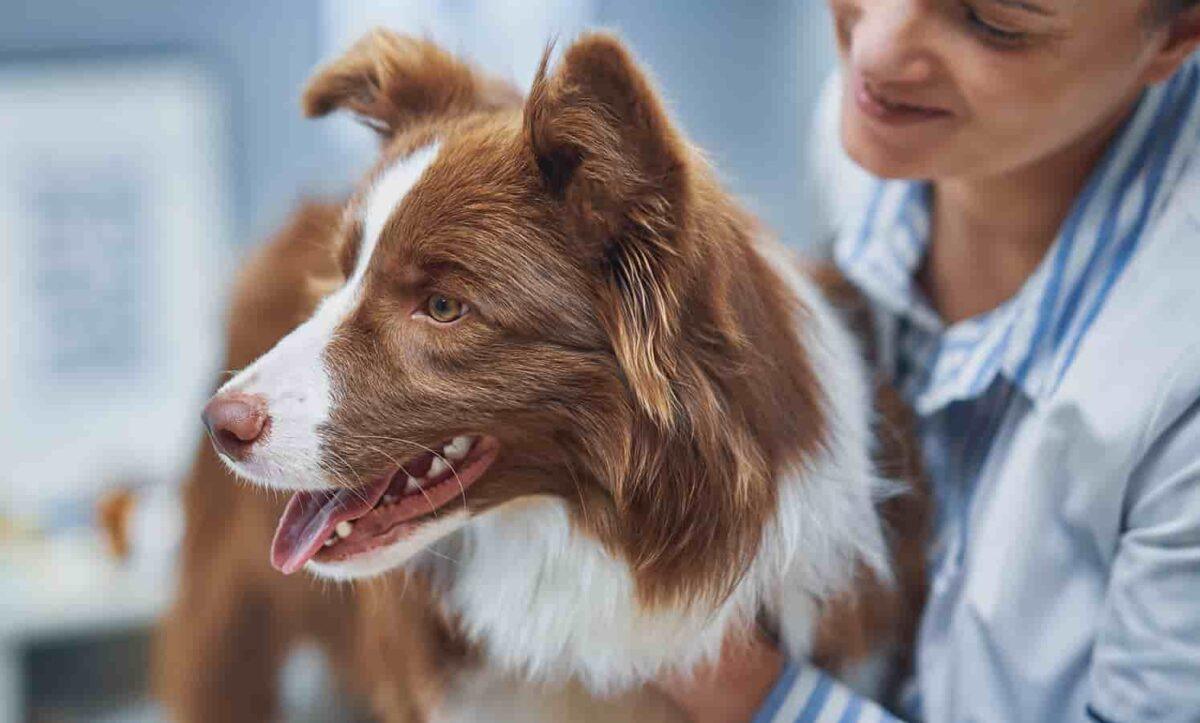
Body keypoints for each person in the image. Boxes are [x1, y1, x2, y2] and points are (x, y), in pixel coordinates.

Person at [658, 1, 1200, 721]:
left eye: (995, 23)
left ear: (1176, 36)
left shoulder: (1177, 391)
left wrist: (749, 690)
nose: (875, 48)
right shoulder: (883, 127)